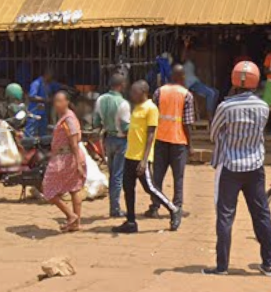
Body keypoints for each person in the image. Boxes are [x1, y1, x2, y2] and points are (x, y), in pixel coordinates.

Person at [203, 61, 271, 276]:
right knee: (261, 214)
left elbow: (213, 134)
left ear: (234, 81)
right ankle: (269, 264)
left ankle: (222, 266)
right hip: (255, 167)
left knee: (225, 216)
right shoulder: (263, 107)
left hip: (230, 167)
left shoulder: (225, 107)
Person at [111, 80, 177, 234]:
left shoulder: (151, 108)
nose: (131, 95)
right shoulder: (136, 108)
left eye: (135, 92)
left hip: (141, 157)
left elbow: (151, 134)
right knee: (128, 189)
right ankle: (131, 221)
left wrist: (144, 159)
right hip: (129, 154)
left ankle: (173, 209)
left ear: (143, 92)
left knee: (150, 188)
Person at [147, 65, 192, 229]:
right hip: (179, 141)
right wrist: (190, 144)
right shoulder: (187, 95)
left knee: (157, 176)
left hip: (160, 139)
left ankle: (155, 206)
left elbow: (153, 115)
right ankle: (177, 207)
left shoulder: (159, 92)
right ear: (182, 77)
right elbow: (187, 123)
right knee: (178, 178)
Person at [42, 91, 87, 233]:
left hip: (66, 158)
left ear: (67, 102)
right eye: (55, 101)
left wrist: (78, 163)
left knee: (47, 188)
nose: (56, 104)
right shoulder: (66, 117)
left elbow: (73, 143)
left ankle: (71, 215)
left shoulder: (68, 119)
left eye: (59, 101)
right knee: (74, 188)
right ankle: (76, 223)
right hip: (68, 156)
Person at [92, 74, 132, 218]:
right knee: (117, 176)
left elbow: (96, 122)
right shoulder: (123, 104)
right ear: (121, 85)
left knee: (112, 173)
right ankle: (115, 208)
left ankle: (113, 206)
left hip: (108, 139)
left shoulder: (100, 100)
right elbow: (126, 127)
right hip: (121, 140)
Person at [26, 68, 54, 138]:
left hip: (43, 111)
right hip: (35, 110)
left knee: (43, 131)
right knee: (30, 131)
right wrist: (45, 100)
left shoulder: (48, 84)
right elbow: (32, 97)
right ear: (47, 74)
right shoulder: (36, 83)